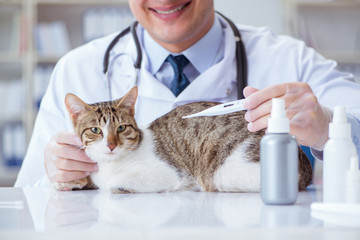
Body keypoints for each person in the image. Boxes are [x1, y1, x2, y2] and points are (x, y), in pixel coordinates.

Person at [15, 0, 360, 187]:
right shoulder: (77, 68)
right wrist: (56, 174)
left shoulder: (287, 57)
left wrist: (329, 125)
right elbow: (30, 201)